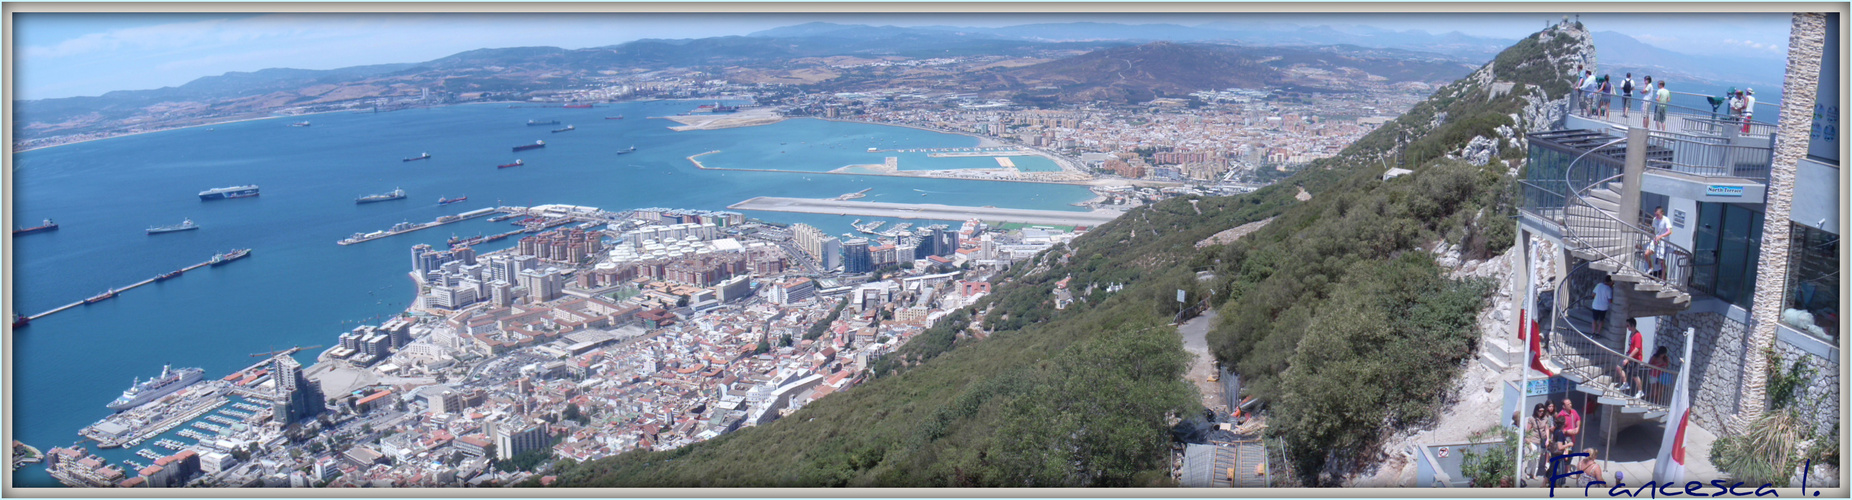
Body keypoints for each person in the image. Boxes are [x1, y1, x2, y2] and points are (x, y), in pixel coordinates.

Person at [1614, 318, 1646, 398]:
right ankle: (1625, 384)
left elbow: (1637, 349)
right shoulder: (1632, 334)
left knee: (1634, 375)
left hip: (1635, 358)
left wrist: (1628, 359)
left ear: (1632, 325)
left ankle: (1640, 391)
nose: (1627, 327)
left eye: (1628, 325)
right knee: (1619, 367)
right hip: (1629, 356)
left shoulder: (1637, 335)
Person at [1528, 403, 1557, 479]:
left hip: (1541, 440)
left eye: (1542, 411)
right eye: (1540, 411)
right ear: (1536, 411)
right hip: (1533, 439)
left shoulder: (1545, 418)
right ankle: (1528, 472)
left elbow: (1546, 429)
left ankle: (1534, 473)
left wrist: (1547, 439)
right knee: (1532, 456)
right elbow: (1528, 430)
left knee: (1538, 457)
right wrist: (1528, 441)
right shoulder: (1532, 419)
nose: (1541, 413)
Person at [1651, 207, 1671, 279]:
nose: (1657, 216)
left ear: (1662, 213)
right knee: (1648, 253)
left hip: (1663, 243)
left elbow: (1669, 231)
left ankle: (1663, 278)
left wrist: (1661, 236)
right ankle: (1650, 272)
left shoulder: (1666, 220)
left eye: (1658, 215)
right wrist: (1654, 236)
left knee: (1662, 261)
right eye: (1655, 215)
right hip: (1656, 241)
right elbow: (1653, 229)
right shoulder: (1655, 219)